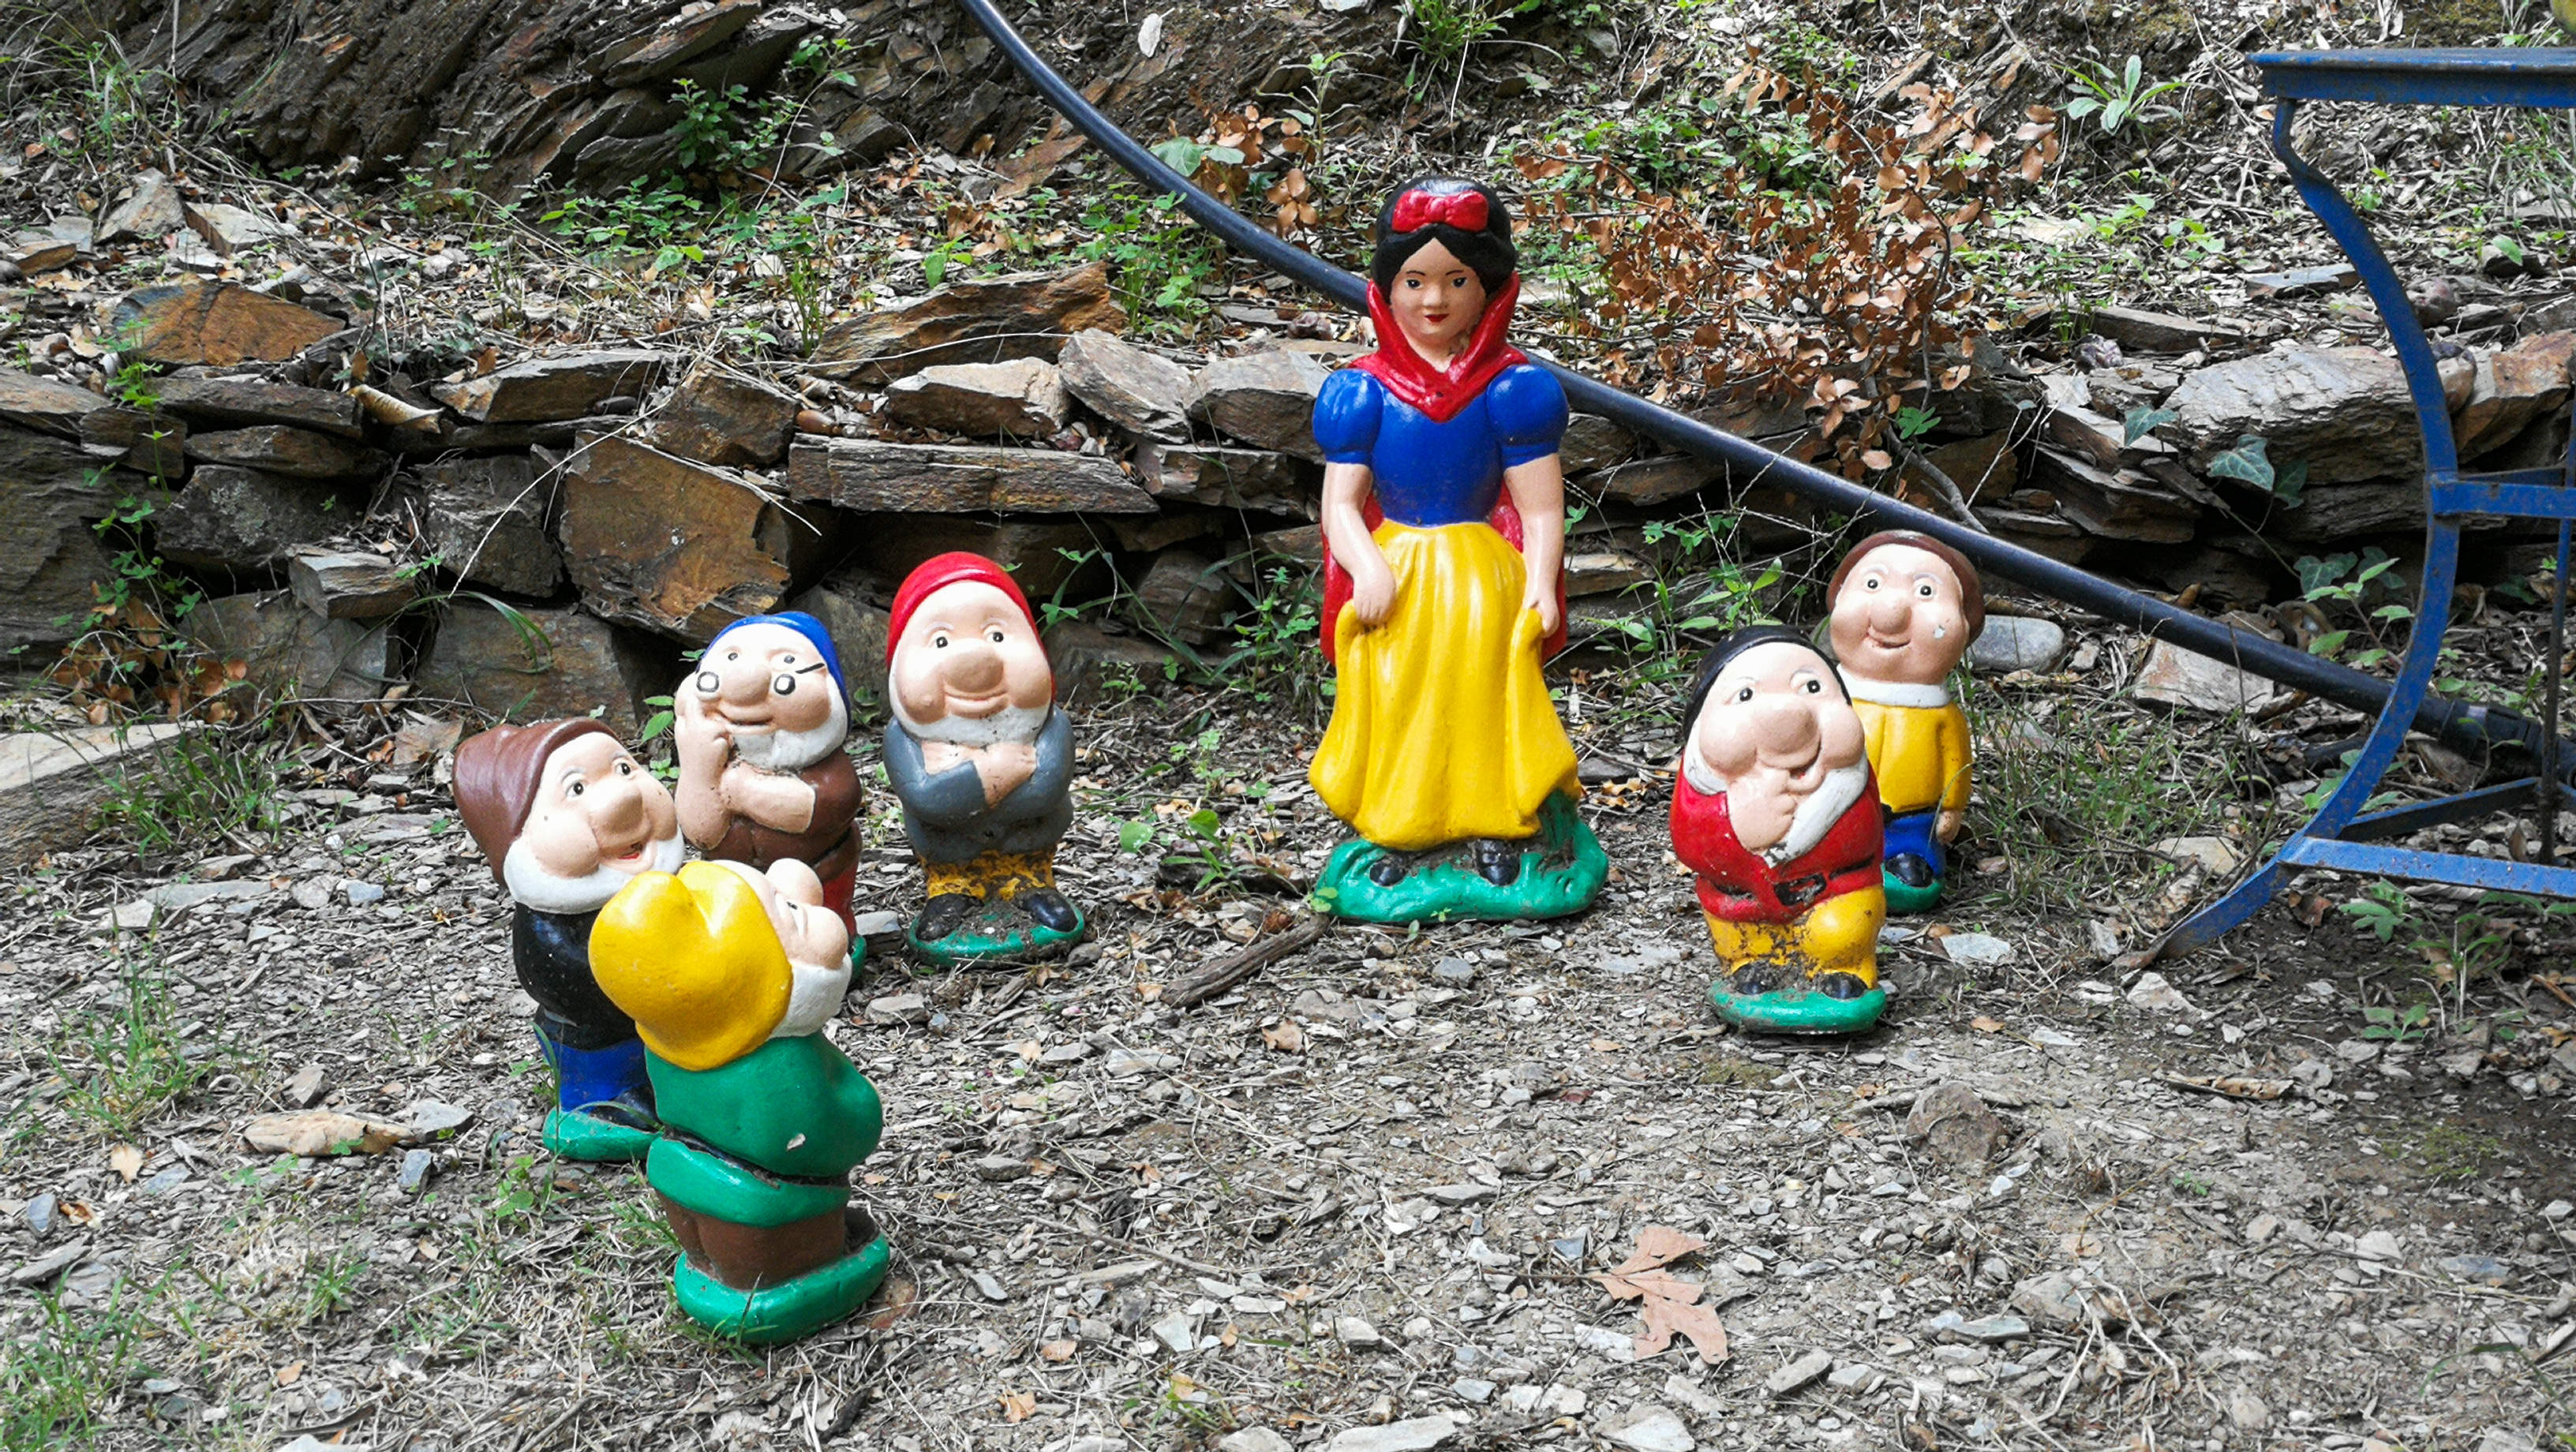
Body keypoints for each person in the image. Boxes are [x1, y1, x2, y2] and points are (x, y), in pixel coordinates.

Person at [1306, 175, 1604, 922]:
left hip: (1478, 575)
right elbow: (1339, 504)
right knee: (1400, 698)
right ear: (1387, 287)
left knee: (1484, 698)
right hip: (1399, 567)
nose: (1434, 300)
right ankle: (1402, 826)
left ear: (1489, 288)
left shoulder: (1512, 391)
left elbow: (1541, 509)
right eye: (1415, 281)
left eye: (1456, 281)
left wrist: (1540, 583)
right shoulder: (1363, 392)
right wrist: (1366, 565)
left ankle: (1495, 822)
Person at [589, 857, 889, 1343]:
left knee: (717, 1245)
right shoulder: (782, 1065)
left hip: (683, 1175)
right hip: (767, 1205)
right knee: (789, 1244)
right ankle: (783, 1286)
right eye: (790, 911)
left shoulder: (675, 1046)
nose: (801, 890)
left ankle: (709, 1264)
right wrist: (861, 1108)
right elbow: (820, 1135)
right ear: (760, 982)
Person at [454, 718, 683, 1160]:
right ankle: (592, 1110)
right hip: (599, 1039)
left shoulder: (666, 887)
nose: (624, 798)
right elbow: (560, 977)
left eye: (624, 769)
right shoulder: (550, 926)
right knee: (614, 1073)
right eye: (576, 789)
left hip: (664, 1027)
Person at [1670, 627, 1889, 1035]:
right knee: (1741, 934)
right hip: (1742, 903)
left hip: (1831, 894)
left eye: (1811, 687)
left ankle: (1844, 966)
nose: (1788, 714)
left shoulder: (1848, 779)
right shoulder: (1704, 786)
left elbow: (1861, 838)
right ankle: (1748, 964)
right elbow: (1690, 842)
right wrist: (1738, 825)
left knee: (1839, 931)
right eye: (1745, 695)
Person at [882, 552, 1082, 958]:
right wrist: (994, 774)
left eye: (997, 636)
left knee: (1029, 863)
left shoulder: (1051, 726)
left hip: (1029, 842)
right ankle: (951, 891)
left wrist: (960, 790)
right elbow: (927, 800)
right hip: (948, 851)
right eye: (940, 641)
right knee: (950, 873)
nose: (975, 662)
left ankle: (1032, 885)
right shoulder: (902, 739)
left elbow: (1045, 789)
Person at [673, 612, 863, 930]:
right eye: (731, 657)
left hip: (820, 870)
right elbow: (702, 834)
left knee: (823, 929)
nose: (745, 687)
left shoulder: (826, 766)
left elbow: (829, 805)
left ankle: (833, 938)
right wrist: (699, 772)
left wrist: (742, 790)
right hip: (733, 880)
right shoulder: (706, 756)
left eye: (787, 661)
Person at [1828, 531, 1983, 912]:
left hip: (1911, 821)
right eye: (1872, 584)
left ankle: (1901, 871)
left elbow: (1956, 763)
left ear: (1964, 625)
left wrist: (1952, 809)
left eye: (1926, 592)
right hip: (1833, 814)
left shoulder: (1940, 717)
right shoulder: (1827, 699)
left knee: (1915, 879)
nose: (1890, 613)